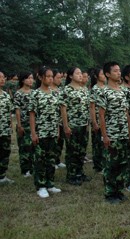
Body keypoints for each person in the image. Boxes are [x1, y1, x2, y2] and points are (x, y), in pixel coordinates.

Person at [97, 62, 130, 204]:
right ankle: (110, 193)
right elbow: (101, 115)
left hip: (123, 133)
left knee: (122, 163)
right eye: (115, 71)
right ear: (107, 74)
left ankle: (119, 190)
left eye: (119, 71)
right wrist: (105, 135)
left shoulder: (123, 91)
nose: (119, 73)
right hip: (112, 134)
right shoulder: (104, 92)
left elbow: (126, 112)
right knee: (111, 164)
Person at [29, 66, 62, 198]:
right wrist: (33, 133)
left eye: (51, 76)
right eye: (47, 76)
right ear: (41, 77)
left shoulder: (55, 93)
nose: (50, 78)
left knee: (51, 158)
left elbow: (57, 113)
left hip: (52, 131)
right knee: (40, 160)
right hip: (40, 132)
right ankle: (41, 185)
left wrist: (58, 129)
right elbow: (32, 114)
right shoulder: (35, 94)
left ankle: (50, 183)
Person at [60, 67, 91, 186]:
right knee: (72, 151)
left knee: (81, 150)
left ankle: (79, 172)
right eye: (77, 73)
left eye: (81, 73)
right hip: (72, 125)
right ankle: (71, 175)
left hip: (83, 125)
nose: (80, 75)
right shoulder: (67, 90)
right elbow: (63, 108)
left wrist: (88, 123)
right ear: (70, 76)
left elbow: (87, 108)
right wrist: (66, 126)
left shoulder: (84, 90)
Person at [14, 71, 35, 178]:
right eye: (29, 78)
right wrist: (19, 125)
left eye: (32, 78)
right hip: (24, 124)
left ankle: (33, 167)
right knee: (24, 147)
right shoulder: (19, 93)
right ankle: (25, 169)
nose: (31, 80)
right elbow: (17, 110)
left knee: (33, 147)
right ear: (23, 80)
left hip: (33, 124)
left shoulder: (34, 92)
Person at [89, 67, 106, 173]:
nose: (104, 76)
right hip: (98, 120)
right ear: (96, 76)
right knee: (97, 144)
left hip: (105, 120)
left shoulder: (106, 87)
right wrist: (94, 122)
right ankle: (98, 166)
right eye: (102, 74)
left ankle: (104, 164)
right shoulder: (95, 89)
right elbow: (92, 106)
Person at [0, 69, 14, 184]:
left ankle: (2, 176)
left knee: (5, 152)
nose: (2, 79)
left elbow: (9, 111)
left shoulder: (5, 95)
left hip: (5, 129)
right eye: (0, 78)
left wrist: (10, 124)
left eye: (3, 77)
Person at [51, 69, 66, 169]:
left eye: (61, 78)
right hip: (52, 121)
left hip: (60, 121)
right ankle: (51, 161)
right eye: (58, 77)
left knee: (60, 141)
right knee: (53, 142)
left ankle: (57, 160)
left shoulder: (61, 91)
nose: (60, 80)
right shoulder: (48, 91)